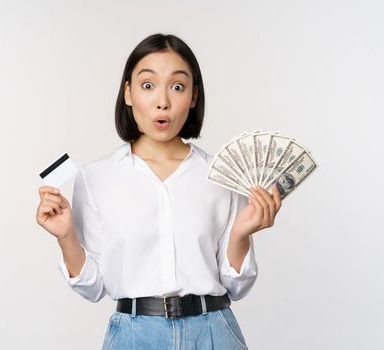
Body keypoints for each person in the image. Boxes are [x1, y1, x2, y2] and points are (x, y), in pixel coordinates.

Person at [35, 33, 282, 350]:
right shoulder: (96, 177)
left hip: (213, 333)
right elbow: (94, 288)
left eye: (177, 86)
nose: (162, 101)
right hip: (135, 336)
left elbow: (237, 286)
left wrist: (241, 235)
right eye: (148, 85)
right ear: (128, 93)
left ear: (193, 96)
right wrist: (66, 236)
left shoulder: (221, 175)